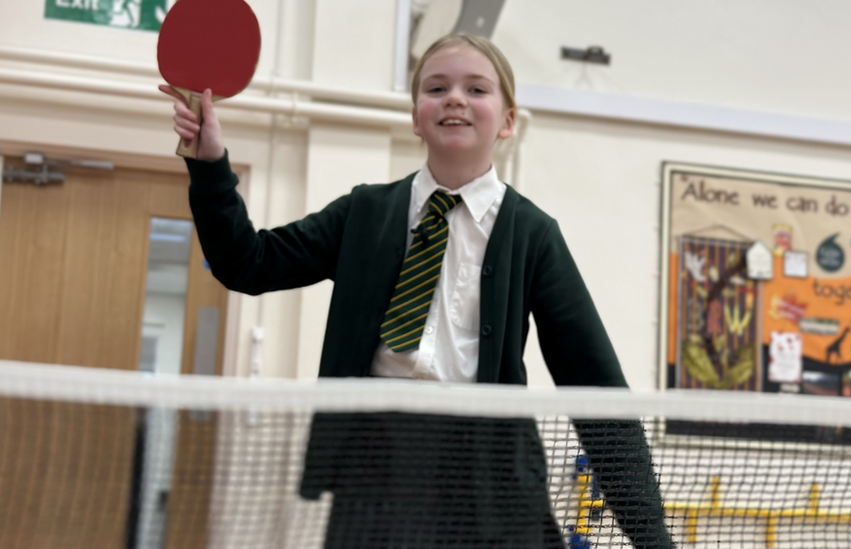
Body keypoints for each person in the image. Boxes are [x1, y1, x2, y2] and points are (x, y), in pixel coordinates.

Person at [161, 34, 673, 549]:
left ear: (508, 121)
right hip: (377, 465)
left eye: (477, 88)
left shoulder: (534, 234)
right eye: (437, 87)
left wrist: (653, 541)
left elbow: (597, 388)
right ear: (414, 116)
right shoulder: (364, 213)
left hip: (492, 476)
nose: (455, 98)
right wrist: (210, 166)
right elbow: (248, 263)